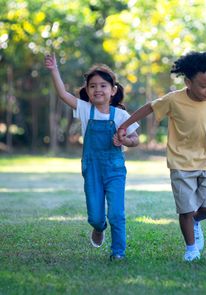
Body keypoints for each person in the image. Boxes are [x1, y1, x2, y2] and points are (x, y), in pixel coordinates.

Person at [117, 51, 206, 262]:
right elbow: (149, 107)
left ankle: (195, 222)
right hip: (181, 163)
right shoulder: (174, 99)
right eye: (204, 85)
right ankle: (191, 248)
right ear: (188, 81)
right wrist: (124, 125)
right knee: (185, 209)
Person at [44, 54, 140, 261]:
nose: (98, 89)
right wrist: (54, 70)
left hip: (114, 170)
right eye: (93, 86)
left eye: (103, 85)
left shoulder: (121, 116)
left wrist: (125, 141)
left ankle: (118, 252)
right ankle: (98, 228)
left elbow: (135, 139)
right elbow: (62, 94)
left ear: (113, 90)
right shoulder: (86, 110)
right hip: (92, 169)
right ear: (87, 91)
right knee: (96, 217)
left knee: (116, 213)